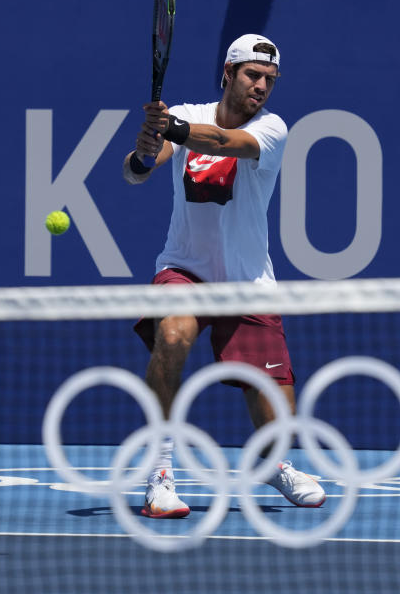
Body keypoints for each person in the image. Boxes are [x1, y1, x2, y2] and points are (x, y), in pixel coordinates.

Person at [122, 34, 325, 519]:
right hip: (185, 269)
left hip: (247, 280)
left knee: (275, 411)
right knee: (171, 337)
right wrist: (146, 149)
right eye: (253, 75)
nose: (261, 87)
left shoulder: (273, 129)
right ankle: (161, 472)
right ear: (228, 74)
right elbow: (137, 173)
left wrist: (171, 127)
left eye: (269, 80)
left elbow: (222, 142)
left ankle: (274, 464)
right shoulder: (190, 115)